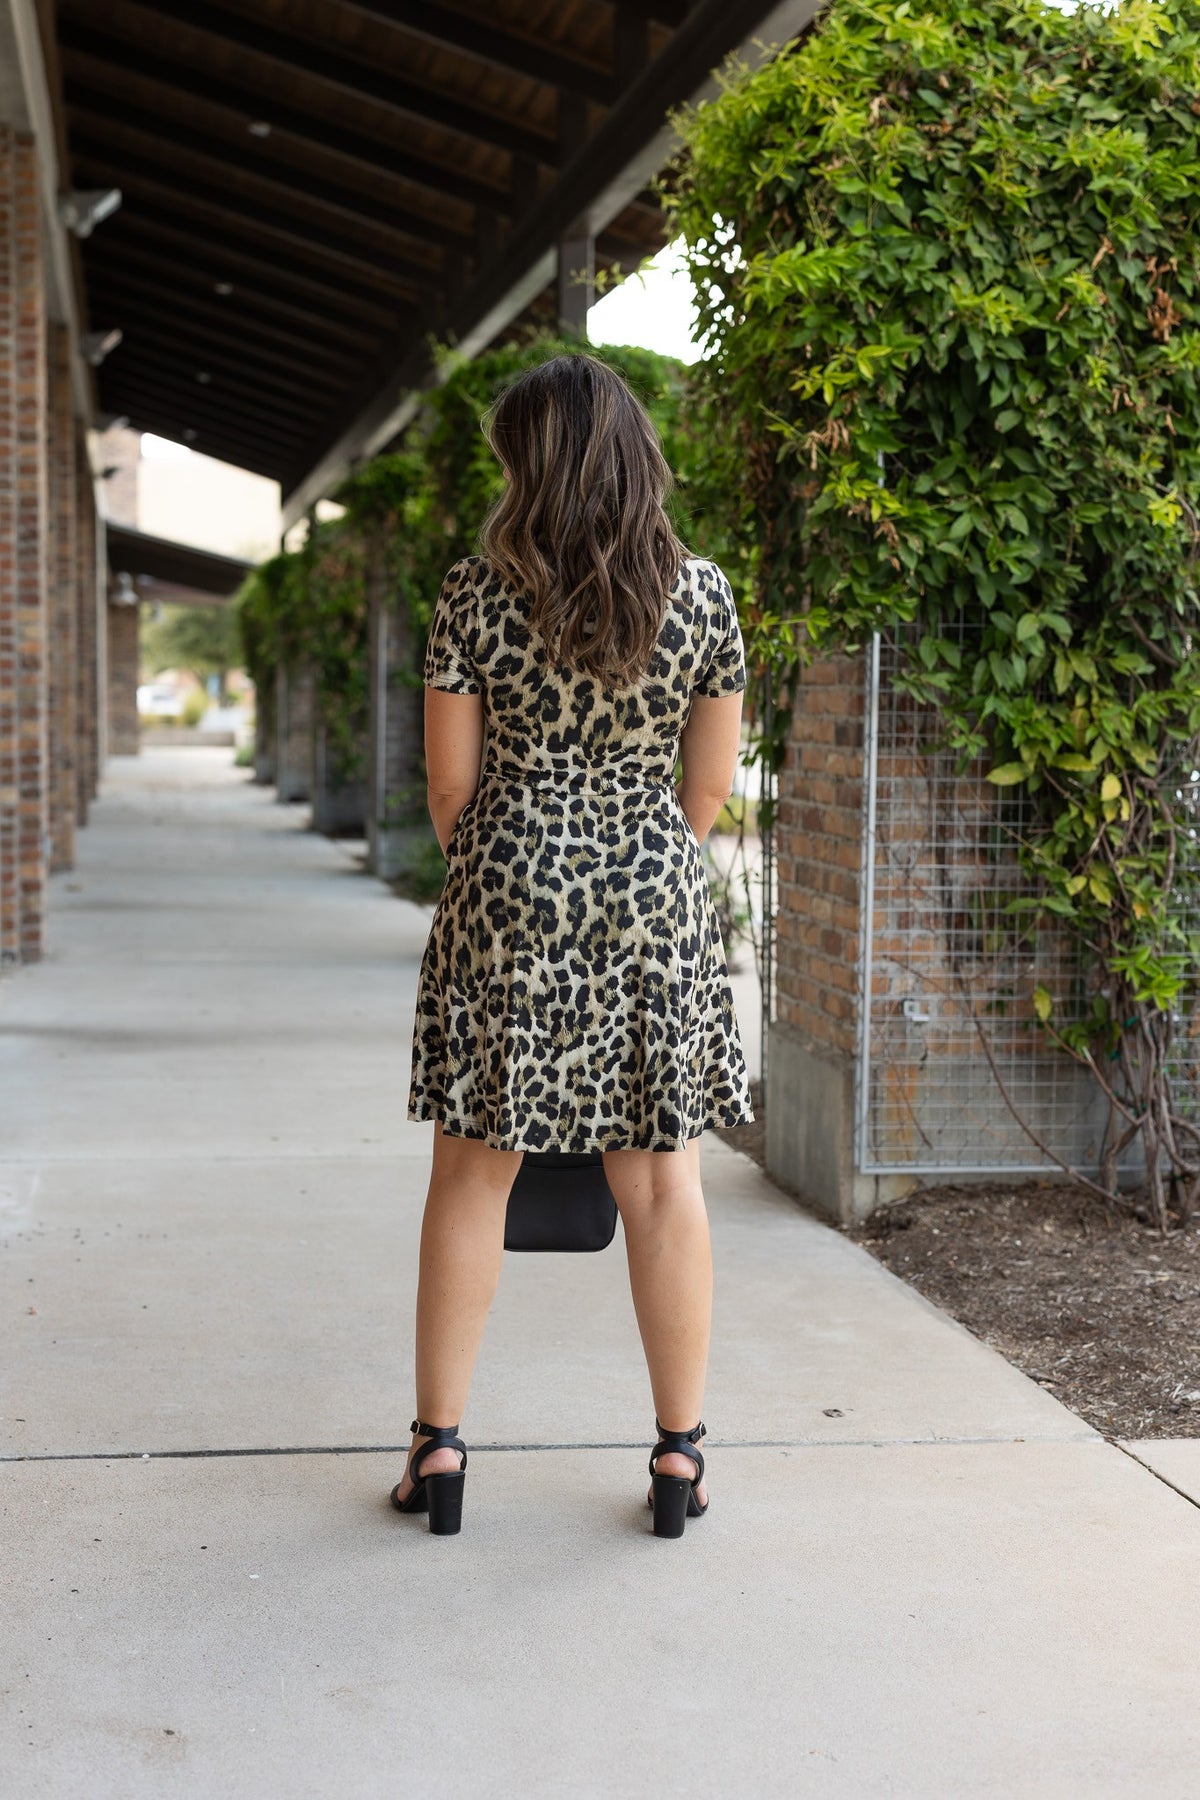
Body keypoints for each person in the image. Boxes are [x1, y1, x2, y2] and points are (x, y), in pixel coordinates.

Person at [393, 351, 755, 1538]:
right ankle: (679, 1459)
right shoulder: (702, 596)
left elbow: (450, 791)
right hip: (653, 888)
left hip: (508, 886)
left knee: (473, 1172)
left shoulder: (474, 593)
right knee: (661, 1184)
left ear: (529, 464)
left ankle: (440, 1451)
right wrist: (632, 856)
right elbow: (710, 788)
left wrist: (515, 865)